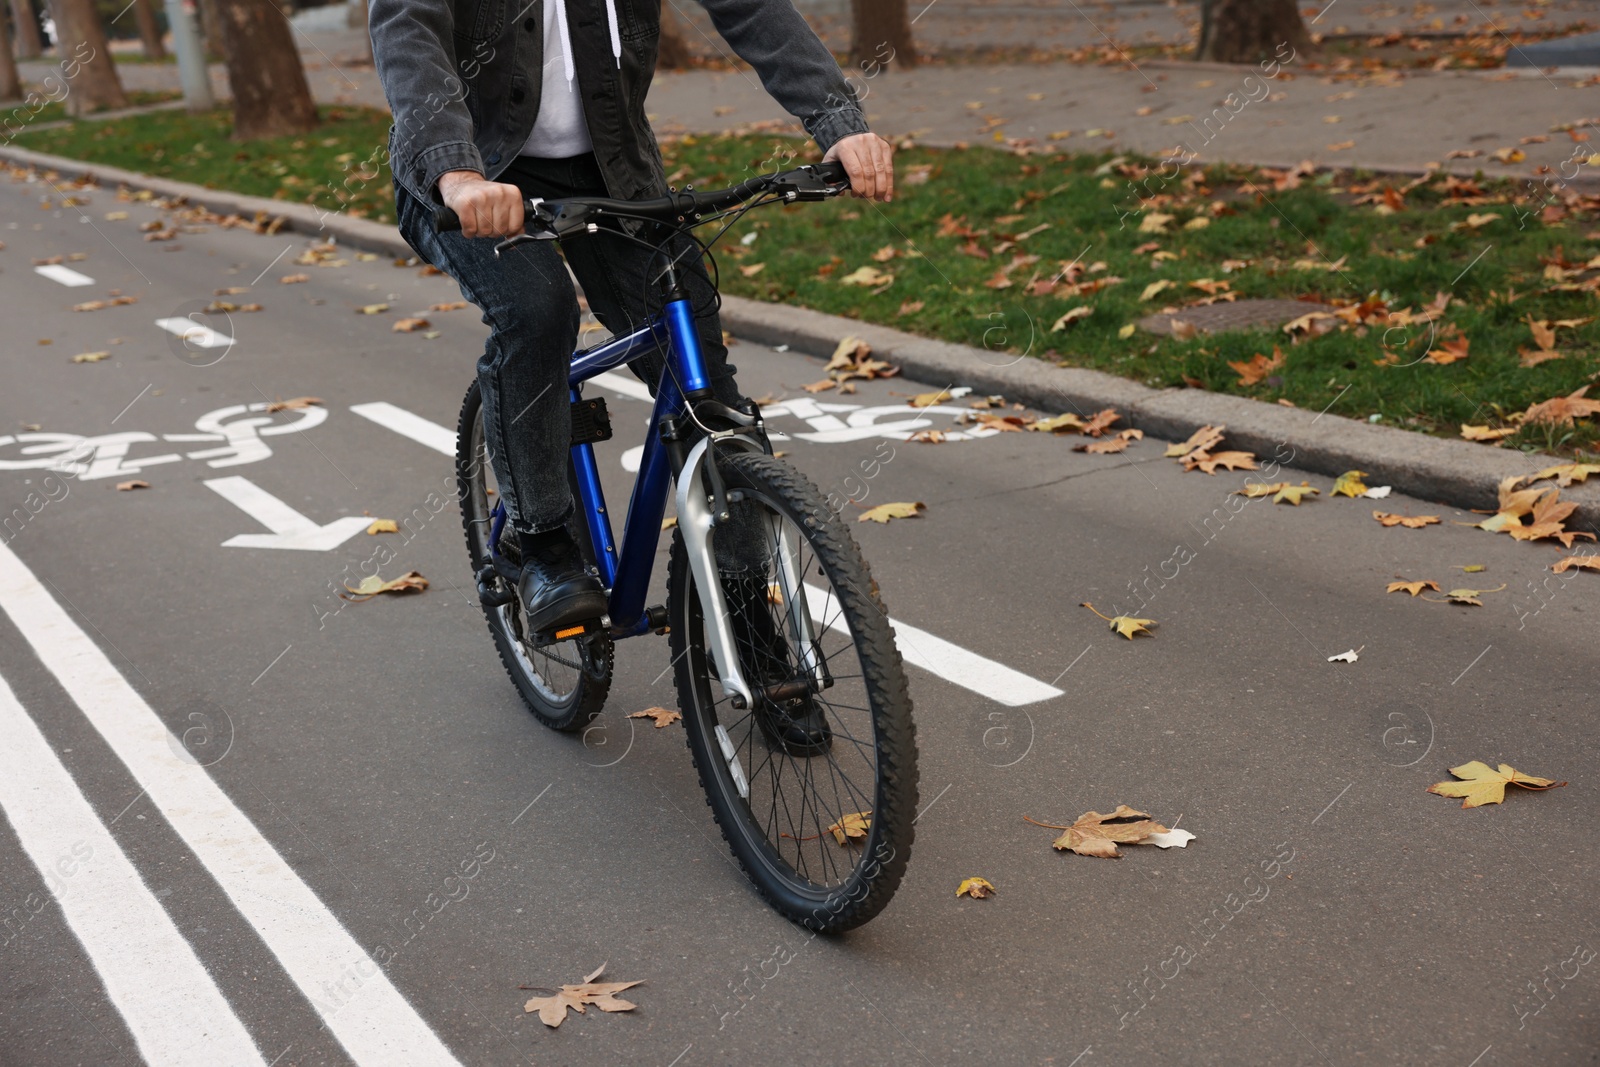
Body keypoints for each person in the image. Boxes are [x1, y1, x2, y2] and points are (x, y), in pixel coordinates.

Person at [370, 0, 894, 636]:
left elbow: (751, 8)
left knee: (702, 379)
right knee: (537, 312)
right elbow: (408, 28)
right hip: (475, 173)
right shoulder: (458, 168)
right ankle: (542, 545)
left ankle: (750, 620)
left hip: (612, 170)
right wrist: (454, 172)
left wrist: (836, 120)